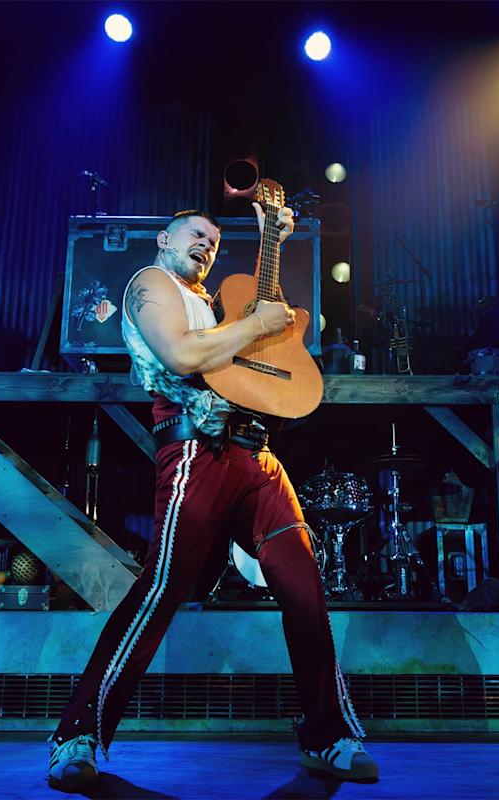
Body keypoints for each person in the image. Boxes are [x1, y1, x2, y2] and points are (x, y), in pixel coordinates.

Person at [46, 205, 378, 792]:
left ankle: (328, 734)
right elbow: (183, 355)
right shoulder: (151, 285)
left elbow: (255, 339)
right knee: (160, 590)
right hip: (196, 449)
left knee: (304, 587)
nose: (207, 245)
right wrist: (256, 326)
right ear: (164, 238)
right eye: (197, 234)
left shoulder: (216, 305)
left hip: (258, 457)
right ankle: (78, 736)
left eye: (216, 240)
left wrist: (271, 248)